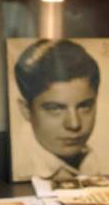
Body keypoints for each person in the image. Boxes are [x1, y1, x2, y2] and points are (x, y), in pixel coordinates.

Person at [14, 39, 101, 181]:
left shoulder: (91, 159)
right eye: (54, 108)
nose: (74, 124)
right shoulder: (21, 169)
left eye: (84, 106)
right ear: (26, 110)